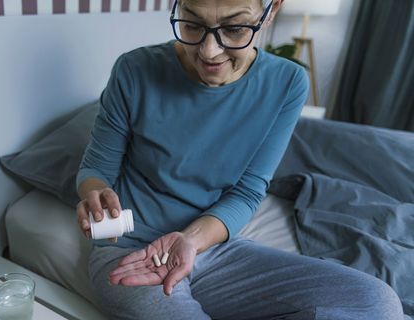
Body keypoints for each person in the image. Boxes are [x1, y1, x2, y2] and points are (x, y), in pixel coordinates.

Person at [75, 0, 403, 319]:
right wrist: (94, 194)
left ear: (271, 10)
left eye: (233, 29)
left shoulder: (287, 82)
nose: (208, 51)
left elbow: (247, 191)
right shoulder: (134, 70)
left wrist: (190, 241)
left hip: (214, 248)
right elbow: (96, 169)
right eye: (192, 24)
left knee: (377, 302)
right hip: (132, 254)